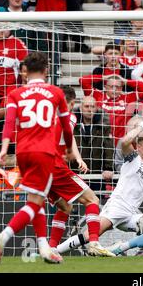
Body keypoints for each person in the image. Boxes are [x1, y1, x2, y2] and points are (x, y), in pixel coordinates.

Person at [0, 52, 74, 264]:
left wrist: (3, 149)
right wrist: (70, 149)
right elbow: (65, 126)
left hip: (22, 152)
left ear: (25, 72)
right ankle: (3, 236)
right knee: (35, 203)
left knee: (36, 198)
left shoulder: (16, 93)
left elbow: (8, 125)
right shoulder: (55, 92)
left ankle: (44, 248)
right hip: (44, 152)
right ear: (46, 71)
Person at [55, 113, 143, 255]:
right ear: (139, 147)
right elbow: (124, 142)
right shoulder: (133, 159)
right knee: (88, 236)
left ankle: (121, 248)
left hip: (131, 213)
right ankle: (54, 251)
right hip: (116, 207)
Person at [47, 86, 114, 257]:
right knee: (92, 199)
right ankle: (94, 242)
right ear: (71, 103)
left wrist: (78, 159)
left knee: (65, 207)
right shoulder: (69, 116)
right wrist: (67, 155)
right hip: (55, 166)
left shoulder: (44, 116)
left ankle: (51, 248)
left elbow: (70, 138)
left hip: (40, 170)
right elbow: (66, 134)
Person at [72, 95, 114, 182]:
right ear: (81, 108)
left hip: (97, 172)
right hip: (75, 171)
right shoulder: (72, 125)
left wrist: (108, 167)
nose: (89, 109)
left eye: (92, 106)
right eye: (86, 106)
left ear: (96, 109)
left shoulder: (104, 126)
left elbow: (108, 147)